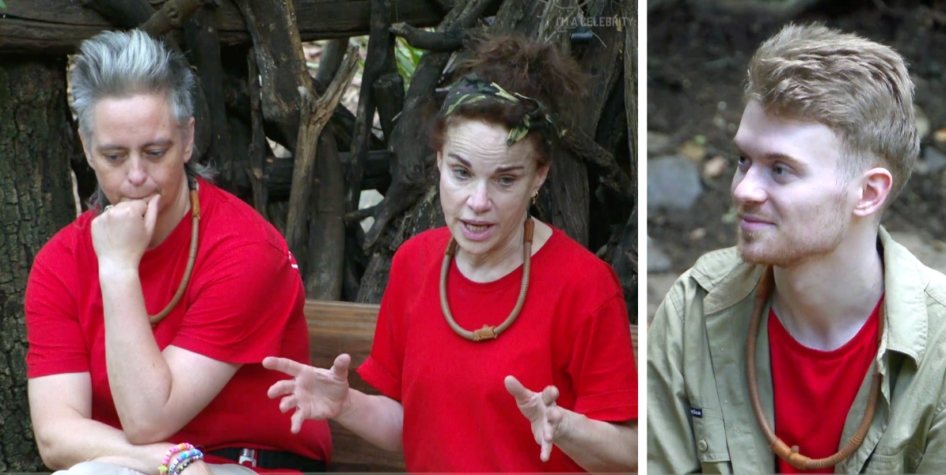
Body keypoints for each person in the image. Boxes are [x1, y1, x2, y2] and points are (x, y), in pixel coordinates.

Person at [262, 35, 638, 472]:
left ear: (539, 176)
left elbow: (629, 458)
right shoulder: (414, 263)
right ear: (439, 161)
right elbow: (414, 427)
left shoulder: (585, 287)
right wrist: (346, 405)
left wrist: (566, 427)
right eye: (462, 172)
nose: (478, 201)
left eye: (504, 180)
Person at [25, 30, 330, 475]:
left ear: (187, 140)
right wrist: (169, 460)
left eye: (155, 152)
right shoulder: (59, 262)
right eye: (113, 156)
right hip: (139, 465)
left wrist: (117, 270)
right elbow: (56, 435)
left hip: (250, 462)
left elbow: (150, 417)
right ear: (87, 148)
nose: (136, 176)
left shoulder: (243, 248)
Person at [648, 23, 946, 474]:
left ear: (868, 193)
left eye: (781, 169)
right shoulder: (693, 311)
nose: (744, 190)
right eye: (744, 160)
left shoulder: (939, 352)